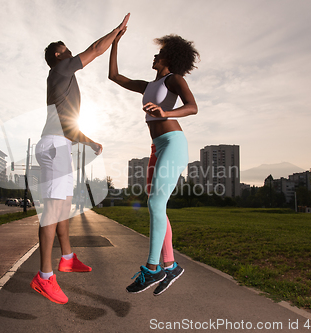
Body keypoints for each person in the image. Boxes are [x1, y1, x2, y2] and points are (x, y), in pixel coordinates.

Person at [30, 13, 130, 305]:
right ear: (59, 55)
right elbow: (97, 49)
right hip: (53, 147)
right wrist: (117, 31)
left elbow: (67, 123)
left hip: (59, 144)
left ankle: (68, 258)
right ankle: (45, 277)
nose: (73, 52)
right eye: (68, 48)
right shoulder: (61, 68)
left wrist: (89, 141)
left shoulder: (62, 77)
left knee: (61, 207)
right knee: (53, 210)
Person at [109, 30, 199, 295]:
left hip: (173, 143)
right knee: (157, 205)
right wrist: (115, 43)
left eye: (159, 53)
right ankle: (170, 266)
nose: (155, 56)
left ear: (169, 57)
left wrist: (165, 112)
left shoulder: (174, 79)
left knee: (155, 203)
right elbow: (115, 76)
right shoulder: (149, 85)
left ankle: (152, 269)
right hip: (157, 147)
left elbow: (192, 106)